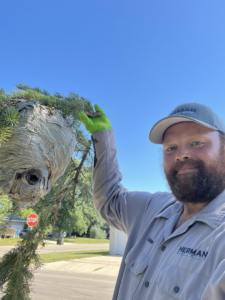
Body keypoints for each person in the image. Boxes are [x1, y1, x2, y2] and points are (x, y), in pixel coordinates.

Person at [79, 102, 225, 300]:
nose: (181, 155)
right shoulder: (151, 208)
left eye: (197, 143)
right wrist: (103, 139)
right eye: (170, 148)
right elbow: (109, 197)